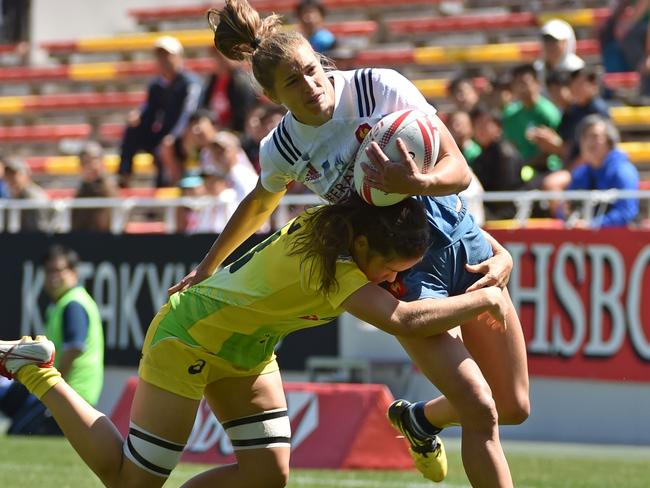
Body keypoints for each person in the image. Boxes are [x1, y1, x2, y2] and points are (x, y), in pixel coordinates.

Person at [170, 2, 530, 485]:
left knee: (513, 407)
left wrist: (418, 181)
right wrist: (208, 266)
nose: (311, 85)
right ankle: (432, 420)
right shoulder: (283, 148)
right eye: (293, 82)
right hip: (405, 273)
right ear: (271, 95)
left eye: (312, 71)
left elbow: (460, 171)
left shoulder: (378, 87)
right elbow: (258, 203)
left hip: (464, 244)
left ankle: (419, 420)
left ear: (323, 63)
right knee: (481, 409)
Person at [0, 196, 510, 487]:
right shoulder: (334, 269)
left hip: (248, 347)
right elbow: (406, 318)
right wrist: (483, 300)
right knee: (128, 481)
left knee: (267, 478)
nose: (393, 280)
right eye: (390, 270)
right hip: (191, 339)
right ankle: (37, 369)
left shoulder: (349, 226)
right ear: (361, 248)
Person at [0, 245, 104, 435]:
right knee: (10, 398)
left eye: (59, 270)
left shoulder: (74, 304)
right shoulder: (60, 304)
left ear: (74, 272)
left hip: (70, 396)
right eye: (48, 271)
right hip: (60, 391)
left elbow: (74, 348)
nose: (53, 277)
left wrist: (53, 387)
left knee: (19, 433)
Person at [118, 36, 202, 188]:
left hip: (184, 135)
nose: (164, 60)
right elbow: (149, 109)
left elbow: (189, 113)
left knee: (166, 148)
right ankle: (124, 176)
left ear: (179, 57)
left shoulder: (190, 83)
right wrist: (138, 116)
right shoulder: (157, 85)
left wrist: (174, 136)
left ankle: (173, 185)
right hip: (164, 135)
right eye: (160, 56)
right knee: (132, 130)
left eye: (167, 55)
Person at [562, 115, 639, 228]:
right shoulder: (581, 173)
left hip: (619, 240)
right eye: (584, 137)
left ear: (609, 141)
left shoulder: (623, 171)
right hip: (586, 241)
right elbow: (566, 208)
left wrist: (592, 225)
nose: (588, 142)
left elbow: (626, 212)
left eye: (595, 136)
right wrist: (567, 213)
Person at [199, 49, 258, 133]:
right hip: (214, 128)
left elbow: (243, 114)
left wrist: (227, 129)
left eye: (220, 58)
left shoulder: (240, 83)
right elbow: (204, 106)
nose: (216, 62)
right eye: (215, 58)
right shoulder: (212, 81)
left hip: (233, 131)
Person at [72, 141, 119, 233]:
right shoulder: (81, 189)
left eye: (95, 160)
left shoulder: (108, 186)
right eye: (86, 161)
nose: (92, 165)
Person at [534, 19, 585, 88]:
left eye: (555, 41)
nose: (550, 45)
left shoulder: (578, 69)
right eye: (546, 40)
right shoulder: (536, 70)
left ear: (566, 42)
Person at [3, 158, 49, 232]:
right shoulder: (9, 194)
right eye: (8, 174)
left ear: (26, 175)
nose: (11, 178)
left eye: (15, 174)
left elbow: (39, 229)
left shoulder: (34, 196)